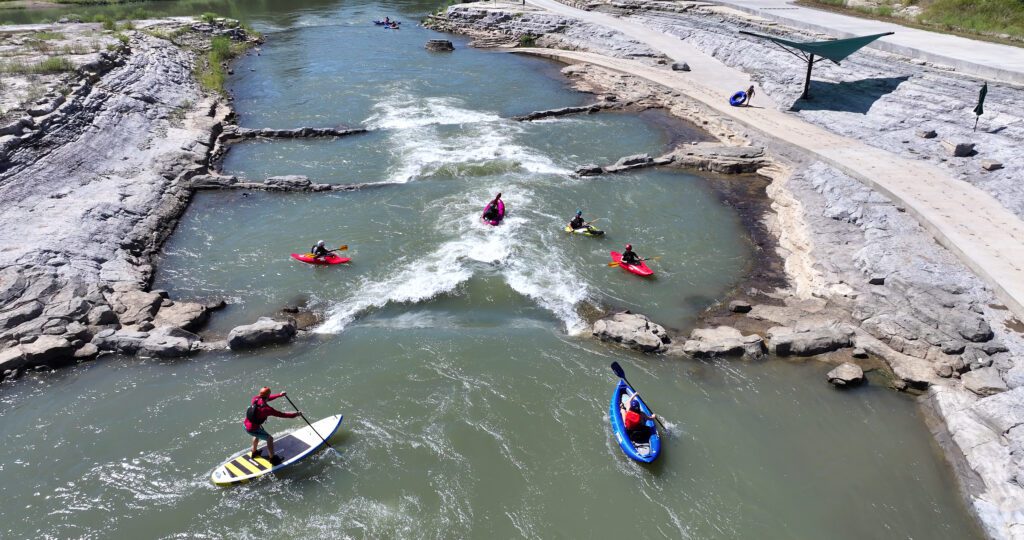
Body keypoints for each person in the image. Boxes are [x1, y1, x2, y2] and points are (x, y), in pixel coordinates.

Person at [243, 387, 303, 465]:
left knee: (257, 434)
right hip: (252, 429)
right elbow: (282, 415)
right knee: (269, 438)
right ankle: (273, 459)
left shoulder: (255, 399)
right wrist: (295, 414)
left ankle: (254, 452)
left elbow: (267, 399)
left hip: (245, 425)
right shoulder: (267, 409)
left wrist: (279, 395)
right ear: (268, 396)